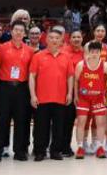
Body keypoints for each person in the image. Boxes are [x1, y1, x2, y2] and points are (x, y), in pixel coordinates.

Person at [28, 27, 74, 161]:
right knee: (41, 127)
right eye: (51, 37)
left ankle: (55, 151)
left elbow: (70, 76)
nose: (54, 40)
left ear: (61, 41)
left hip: (60, 98)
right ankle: (40, 151)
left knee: (58, 127)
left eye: (57, 38)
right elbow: (32, 76)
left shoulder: (66, 57)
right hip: (42, 98)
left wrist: (69, 93)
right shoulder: (38, 56)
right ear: (46, 40)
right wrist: (33, 95)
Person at [0, 21, 34, 162]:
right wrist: (3, 83)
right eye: (16, 30)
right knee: (3, 120)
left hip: (22, 89)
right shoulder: (2, 47)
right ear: (11, 31)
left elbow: (30, 72)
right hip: (5, 88)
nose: (18, 32)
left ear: (24, 33)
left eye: (21, 30)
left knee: (20, 120)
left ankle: (19, 151)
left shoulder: (29, 50)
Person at [73, 41, 107, 159]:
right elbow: (76, 80)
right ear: (88, 52)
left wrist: (105, 94)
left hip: (98, 98)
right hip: (84, 98)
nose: (94, 54)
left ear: (100, 52)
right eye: (92, 52)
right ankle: (80, 147)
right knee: (81, 122)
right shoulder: (81, 65)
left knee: (100, 123)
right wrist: (76, 96)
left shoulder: (105, 66)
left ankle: (100, 147)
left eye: (97, 52)